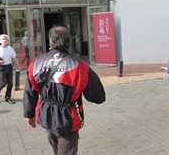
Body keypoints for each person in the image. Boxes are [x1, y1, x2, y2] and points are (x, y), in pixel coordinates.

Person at [23, 26, 106, 155]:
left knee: (55, 147)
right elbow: (98, 97)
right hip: (68, 117)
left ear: (50, 41)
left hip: (46, 113)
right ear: (69, 42)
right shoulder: (79, 66)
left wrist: (29, 115)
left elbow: (30, 92)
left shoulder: (36, 63)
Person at [0, 34, 21, 104]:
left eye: (6, 39)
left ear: (8, 41)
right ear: (0, 41)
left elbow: (14, 58)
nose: (5, 40)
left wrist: (18, 66)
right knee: (3, 83)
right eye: (3, 39)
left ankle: (8, 97)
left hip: (9, 67)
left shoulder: (10, 48)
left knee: (10, 83)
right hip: (0, 68)